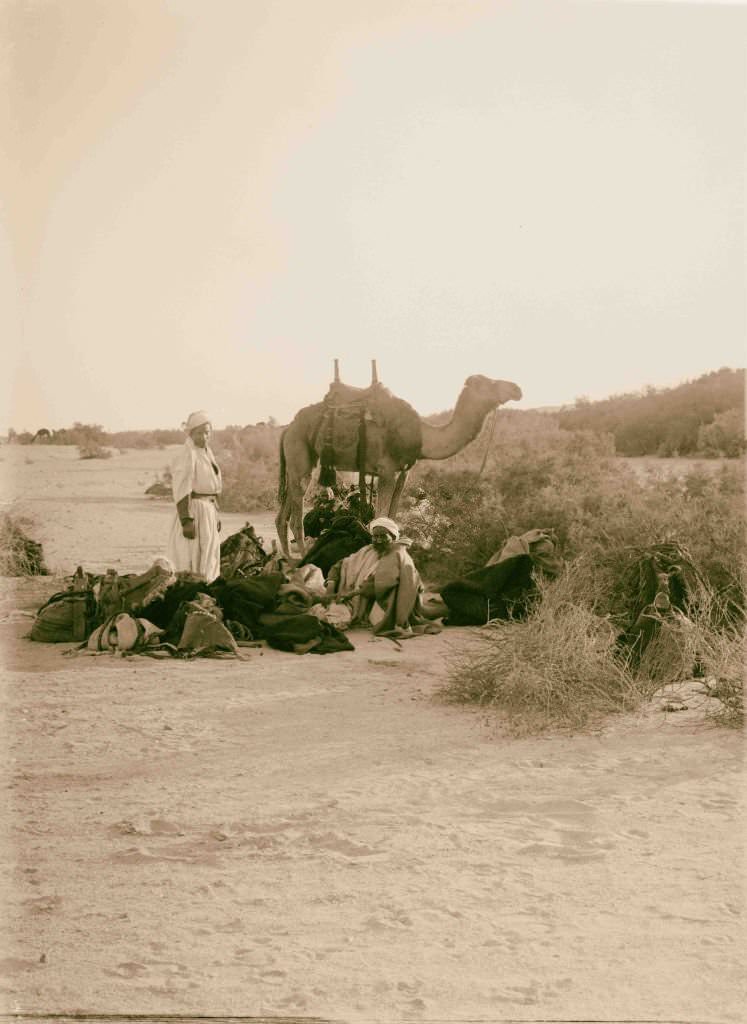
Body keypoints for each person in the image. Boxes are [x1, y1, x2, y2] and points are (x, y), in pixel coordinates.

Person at [324, 516, 439, 636]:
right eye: (375, 536)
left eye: (383, 536)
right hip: (358, 600)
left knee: (379, 619)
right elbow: (341, 564)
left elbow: (381, 584)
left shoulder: (397, 554)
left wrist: (350, 594)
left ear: (393, 537)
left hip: (387, 601)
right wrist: (331, 584)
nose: (378, 540)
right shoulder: (367, 551)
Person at [167, 411, 223, 583]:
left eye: (207, 432)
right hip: (195, 511)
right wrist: (186, 520)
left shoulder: (206, 453)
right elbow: (182, 488)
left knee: (209, 553)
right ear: (191, 434)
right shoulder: (187, 454)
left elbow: (213, 488)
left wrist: (216, 514)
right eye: (199, 433)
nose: (204, 436)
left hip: (208, 510)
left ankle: (207, 586)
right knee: (192, 554)